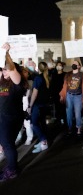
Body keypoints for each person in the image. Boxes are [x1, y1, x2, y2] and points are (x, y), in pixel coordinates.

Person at [0, 42, 28, 181]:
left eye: (5, 70)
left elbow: (11, 70)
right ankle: (10, 167)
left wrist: (7, 53)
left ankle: (12, 169)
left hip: (11, 117)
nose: (4, 72)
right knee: (5, 144)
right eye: (2, 70)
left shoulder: (18, 82)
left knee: (7, 144)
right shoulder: (2, 82)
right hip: (2, 117)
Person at [28, 62, 51, 153]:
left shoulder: (38, 78)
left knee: (34, 124)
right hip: (45, 104)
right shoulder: (47, 78)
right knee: (42, 123)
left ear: (39, 68)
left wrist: (30, 105)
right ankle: (43, 141)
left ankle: (43, 142)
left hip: (38, 104)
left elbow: (34, 93)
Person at [59, 60, 83, 136]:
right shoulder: (68, 74)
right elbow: (64, 85)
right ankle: (69, 128)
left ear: (79, 66)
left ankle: (78, 128)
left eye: (76, 64)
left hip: (78, 96)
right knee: (68, 113)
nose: (74, 64)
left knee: (77, 113)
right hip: (69, 95)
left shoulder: (82, 74)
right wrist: (62, 95)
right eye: (73, 63)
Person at [15, 66, 34, 146]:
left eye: (25, 72)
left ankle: (29, 138)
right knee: (19, 124)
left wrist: (29, 107)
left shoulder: (29, 83)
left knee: (27, 123)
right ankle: (19, 137)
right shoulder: (17, 82)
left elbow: (29, 96)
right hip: (18, 105)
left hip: (26, 106)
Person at [50, 61, 66, 127]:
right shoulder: (54, 74)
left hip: (63, 94)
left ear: (62, 67)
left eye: (60, 65)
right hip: (55, 94)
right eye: (57, 65)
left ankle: (64, 121)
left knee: (63, 108)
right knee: (57, 108)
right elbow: (52, 85)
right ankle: (58, 121)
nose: (58, 67)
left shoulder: (65, 75)